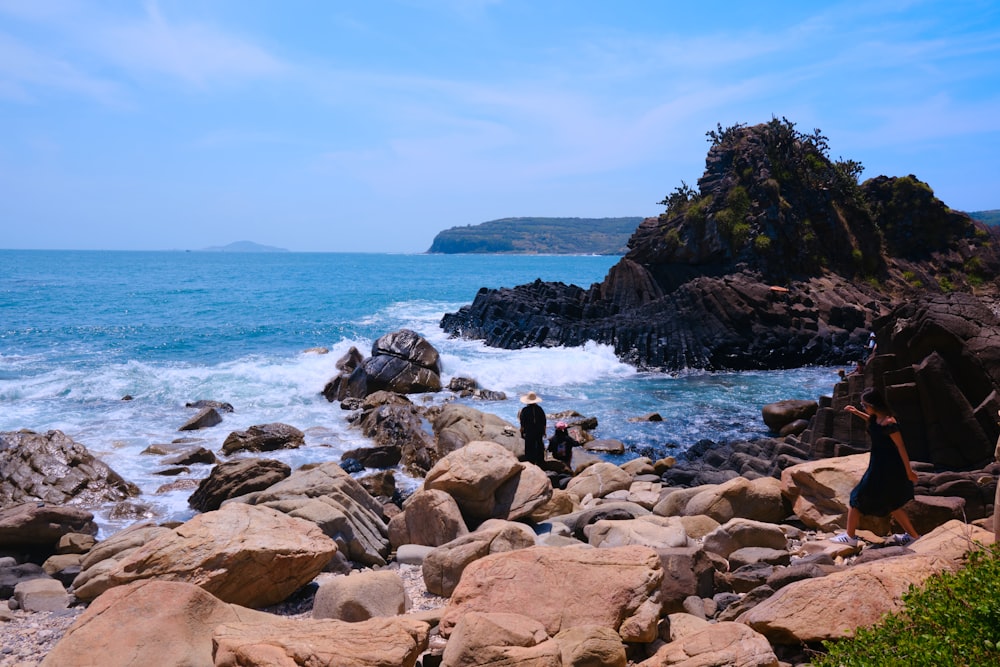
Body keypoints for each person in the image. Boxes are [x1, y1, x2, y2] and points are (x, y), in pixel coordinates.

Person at [832, 388, 920, 547]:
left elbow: (901, 447)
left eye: (864, 405)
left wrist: (909, 471)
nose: (864, 407)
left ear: (873, 405)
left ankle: (850, 536)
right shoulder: (875, 419)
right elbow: (873, 425)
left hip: (887, 466)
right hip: (878, 463)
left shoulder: (890, 423)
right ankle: (913, 536)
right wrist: (856, 412)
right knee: (893, 503)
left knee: (856, 497)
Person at [518, 391, 546, 466]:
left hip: (529, 431)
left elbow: (522, 423)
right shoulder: (540, 409)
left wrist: (521, 431)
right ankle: (540, 461)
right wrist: (544, 432)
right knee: (539, 444)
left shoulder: (524, 410)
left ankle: (530, 462)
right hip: (539, 430)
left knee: (529, 446)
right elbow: (544, 422)